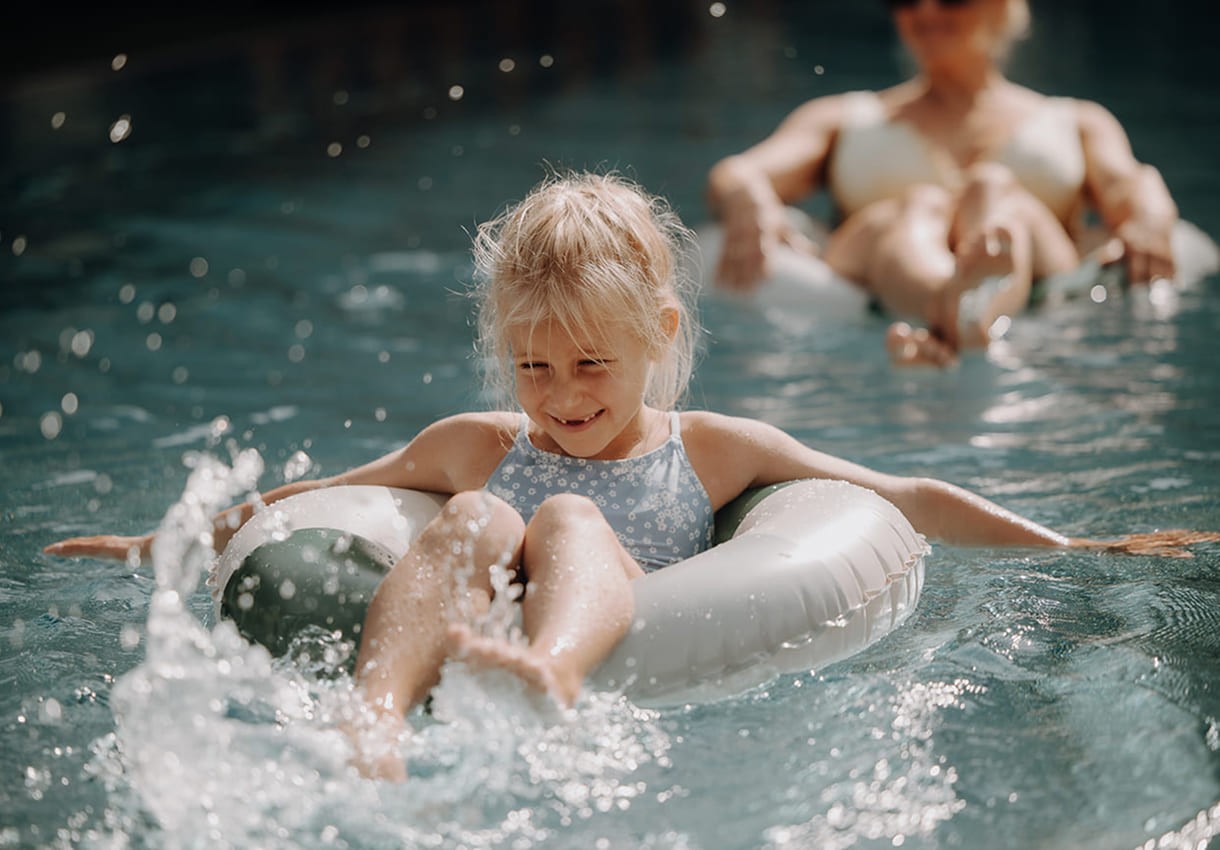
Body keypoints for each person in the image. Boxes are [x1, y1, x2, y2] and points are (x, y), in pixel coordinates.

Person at [44, 172, 1214, 781]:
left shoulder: (707, 448)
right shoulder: (481, 439)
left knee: (561, 514)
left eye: (590, 363)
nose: (558, 395)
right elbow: (317, 498)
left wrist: (1075, 549)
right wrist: (171, 542)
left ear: (657, 330)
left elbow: (898, 492)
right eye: (533, 366)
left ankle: (545, 670)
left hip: (628, 630)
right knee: (463, 516)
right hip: (476, 591)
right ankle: (377, 714)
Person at [706, 0, 1181, 366]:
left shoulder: (1075, 120)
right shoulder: (844, 117)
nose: (926, 9)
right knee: (916, 206)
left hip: (1032, 262)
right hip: (883, 255)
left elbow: (1128, 184)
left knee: (995, 191)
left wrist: (1152, 213)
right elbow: (742, 170)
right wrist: (748, 196)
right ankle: (956, 309)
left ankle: (964, 308)